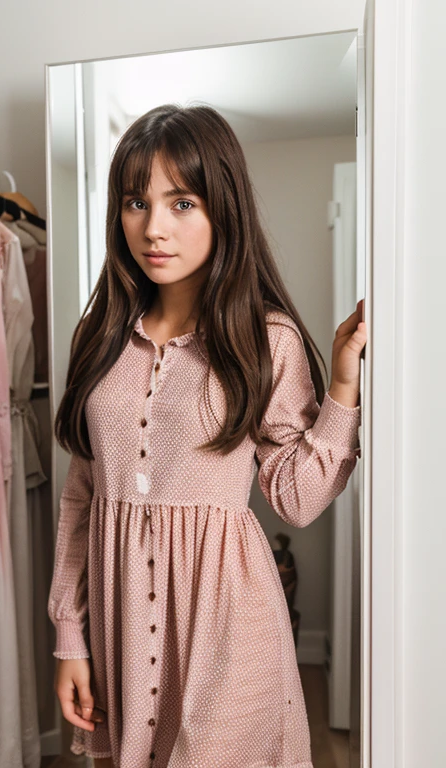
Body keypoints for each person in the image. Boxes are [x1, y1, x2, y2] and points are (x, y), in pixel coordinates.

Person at [47, 103, 366, 768]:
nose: (154, 227)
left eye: (182, 202)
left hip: (227, 626)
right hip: (120, 623)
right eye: (136, 201)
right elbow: (81, 497)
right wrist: (70, 639)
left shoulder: (264, 337)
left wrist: (341, 387)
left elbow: (297, 499)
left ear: (223, 207)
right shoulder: (99, 335)